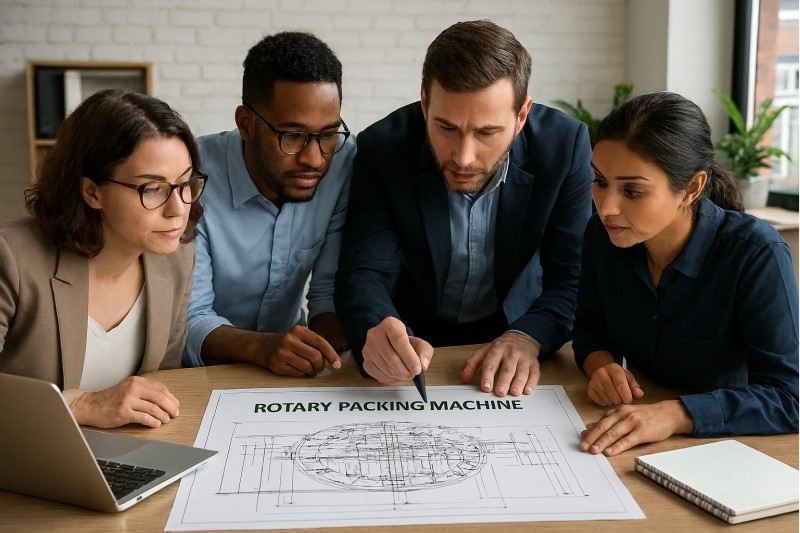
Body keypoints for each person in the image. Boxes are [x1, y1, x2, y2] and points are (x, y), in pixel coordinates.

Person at [334, 20, 593, 397]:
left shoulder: (564, 147)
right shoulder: (383, 148)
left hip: (516, 333)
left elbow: (573, 277)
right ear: (424, 103)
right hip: (414, 337)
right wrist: (377, 325)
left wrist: (528, 337)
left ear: (521, 116)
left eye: (487, 132)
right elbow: (364, 270)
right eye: (446, 127)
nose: (463, 157)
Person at [573, 91, 799, 457]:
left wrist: (675, 415)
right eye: (600, 182)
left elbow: (789, 397)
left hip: (734, 448)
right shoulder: (603, 237)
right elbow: (588, 327)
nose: (607, 208)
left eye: (632, 190)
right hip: (636, 433)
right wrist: (602, 366)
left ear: (691, 189)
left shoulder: (756, 253)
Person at [0, 88, 207, 429]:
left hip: (126, 457)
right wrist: (79, 405)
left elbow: (163, 385)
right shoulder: (11, 258)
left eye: (185, 183)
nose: (178, 208)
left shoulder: (175, 259)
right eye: (152, 188)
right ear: (92, 192)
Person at [183, 31, 356, 377]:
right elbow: (189, 318)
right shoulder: (190, 175)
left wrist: (353, 341)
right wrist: (265, 347)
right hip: (199, 373)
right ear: (246, 125)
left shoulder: (343, 161)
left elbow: (325, 294)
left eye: (327, 135)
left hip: (289, 367)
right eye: (292, 136)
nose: (314, 159)